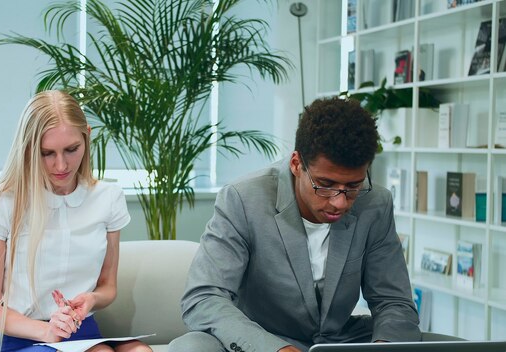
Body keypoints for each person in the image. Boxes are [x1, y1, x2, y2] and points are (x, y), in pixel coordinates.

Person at [168, 97, 420, 352]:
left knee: (439, 342)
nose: (340, 202)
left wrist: (383, 348)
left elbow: (393, 301)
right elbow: (204, 297)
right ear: (296, 164)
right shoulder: (243, 199)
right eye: (325, 185)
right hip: (262, 340)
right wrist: (276, 349)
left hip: (338, 342)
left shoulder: (376, 203)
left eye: (353, 186)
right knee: (191, 347)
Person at [0, 90, 152, 352]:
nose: (61, 165)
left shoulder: (108, 199)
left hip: (82, 332)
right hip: (18, 337)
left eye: (71, 149)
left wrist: (91, 299)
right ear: (28, 148)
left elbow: (107, 287)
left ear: (86, 137)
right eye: (47, 153)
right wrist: (48, 331)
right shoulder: (1, 203)